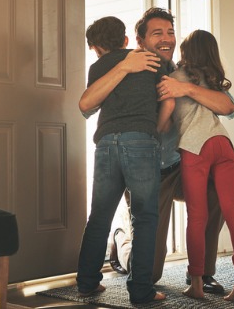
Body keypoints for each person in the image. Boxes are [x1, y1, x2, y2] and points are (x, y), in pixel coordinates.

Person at [80, 7, 234, 295]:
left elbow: (229, 107)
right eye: (157, 33)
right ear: (138, 42)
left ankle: (201, 273)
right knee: (149, 268)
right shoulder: (129, 67)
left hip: (180, 165)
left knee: (215, 191)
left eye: (170, 32)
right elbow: (87, 106)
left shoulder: (183, 72)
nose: (166, 39)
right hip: (148, 167)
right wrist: (126, 67)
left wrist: (185, 89)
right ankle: (122, 245)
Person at [76, 16, 169, 304]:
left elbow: (89, 106)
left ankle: (87, 282)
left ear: (95, 48)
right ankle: (141, 291)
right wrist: (156, 129)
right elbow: (169, 99)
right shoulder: (151, 60)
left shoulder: (98, 67)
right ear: (127, 40)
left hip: (106, 143)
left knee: (99, 217)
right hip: (141, 139)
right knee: (144, 217)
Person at [167, 29, 234, 301]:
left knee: (197, 216)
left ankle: (196, 283)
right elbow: (228, 109)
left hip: (195, 146)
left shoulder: (174, 78)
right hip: (223, 143)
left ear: (186, 52)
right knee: (233, 209)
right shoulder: (213, 81)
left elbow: (168, 116)